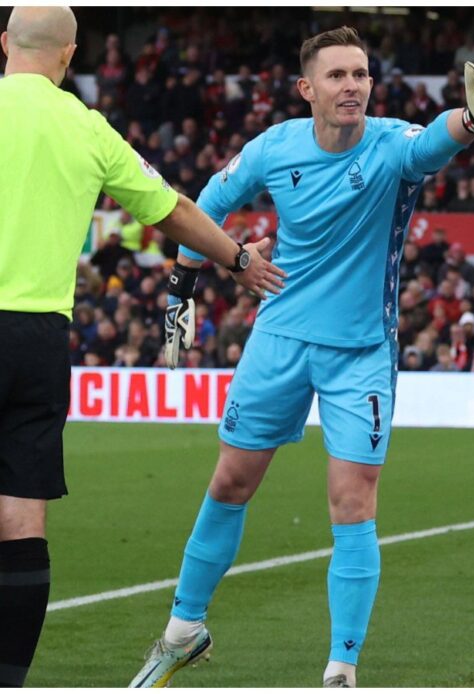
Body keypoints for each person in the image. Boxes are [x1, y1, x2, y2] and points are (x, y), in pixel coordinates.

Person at [128, 26, 474, 688]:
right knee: (229, 482)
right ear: (308, 88)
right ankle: (183, 631)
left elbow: (435, 141)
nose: (352, 85)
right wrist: (188, 285)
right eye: (337, 75)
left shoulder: (390, 146)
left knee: (352, 501)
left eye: (360, 74)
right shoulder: (273, 148)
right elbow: (202, 206)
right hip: (279, 341)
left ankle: (341, 670)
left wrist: (470, 124)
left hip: (361, 352)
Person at [0, 7, 282, 688]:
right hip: (36, 335)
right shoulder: (88, 128)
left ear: (3, 43)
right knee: (20, 514)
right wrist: (239, 257)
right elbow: (174, 210)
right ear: (70, 55)